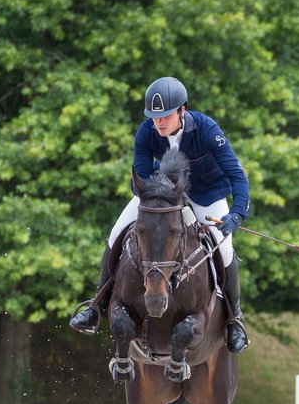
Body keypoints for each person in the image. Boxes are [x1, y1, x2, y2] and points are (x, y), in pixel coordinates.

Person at [68, 76, 250, 353]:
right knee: (117, 232)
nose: (159, 123)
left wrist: (237, 213)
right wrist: (160, 192)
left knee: (224, 249)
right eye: (154, 117)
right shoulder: (146, 132)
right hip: (162, 197)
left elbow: (236, 174)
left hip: (206, 196)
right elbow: (138, 178)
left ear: (182, 111)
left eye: (165, 116)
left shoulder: (207, 129)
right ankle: (97, 305)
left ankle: (234, 320)